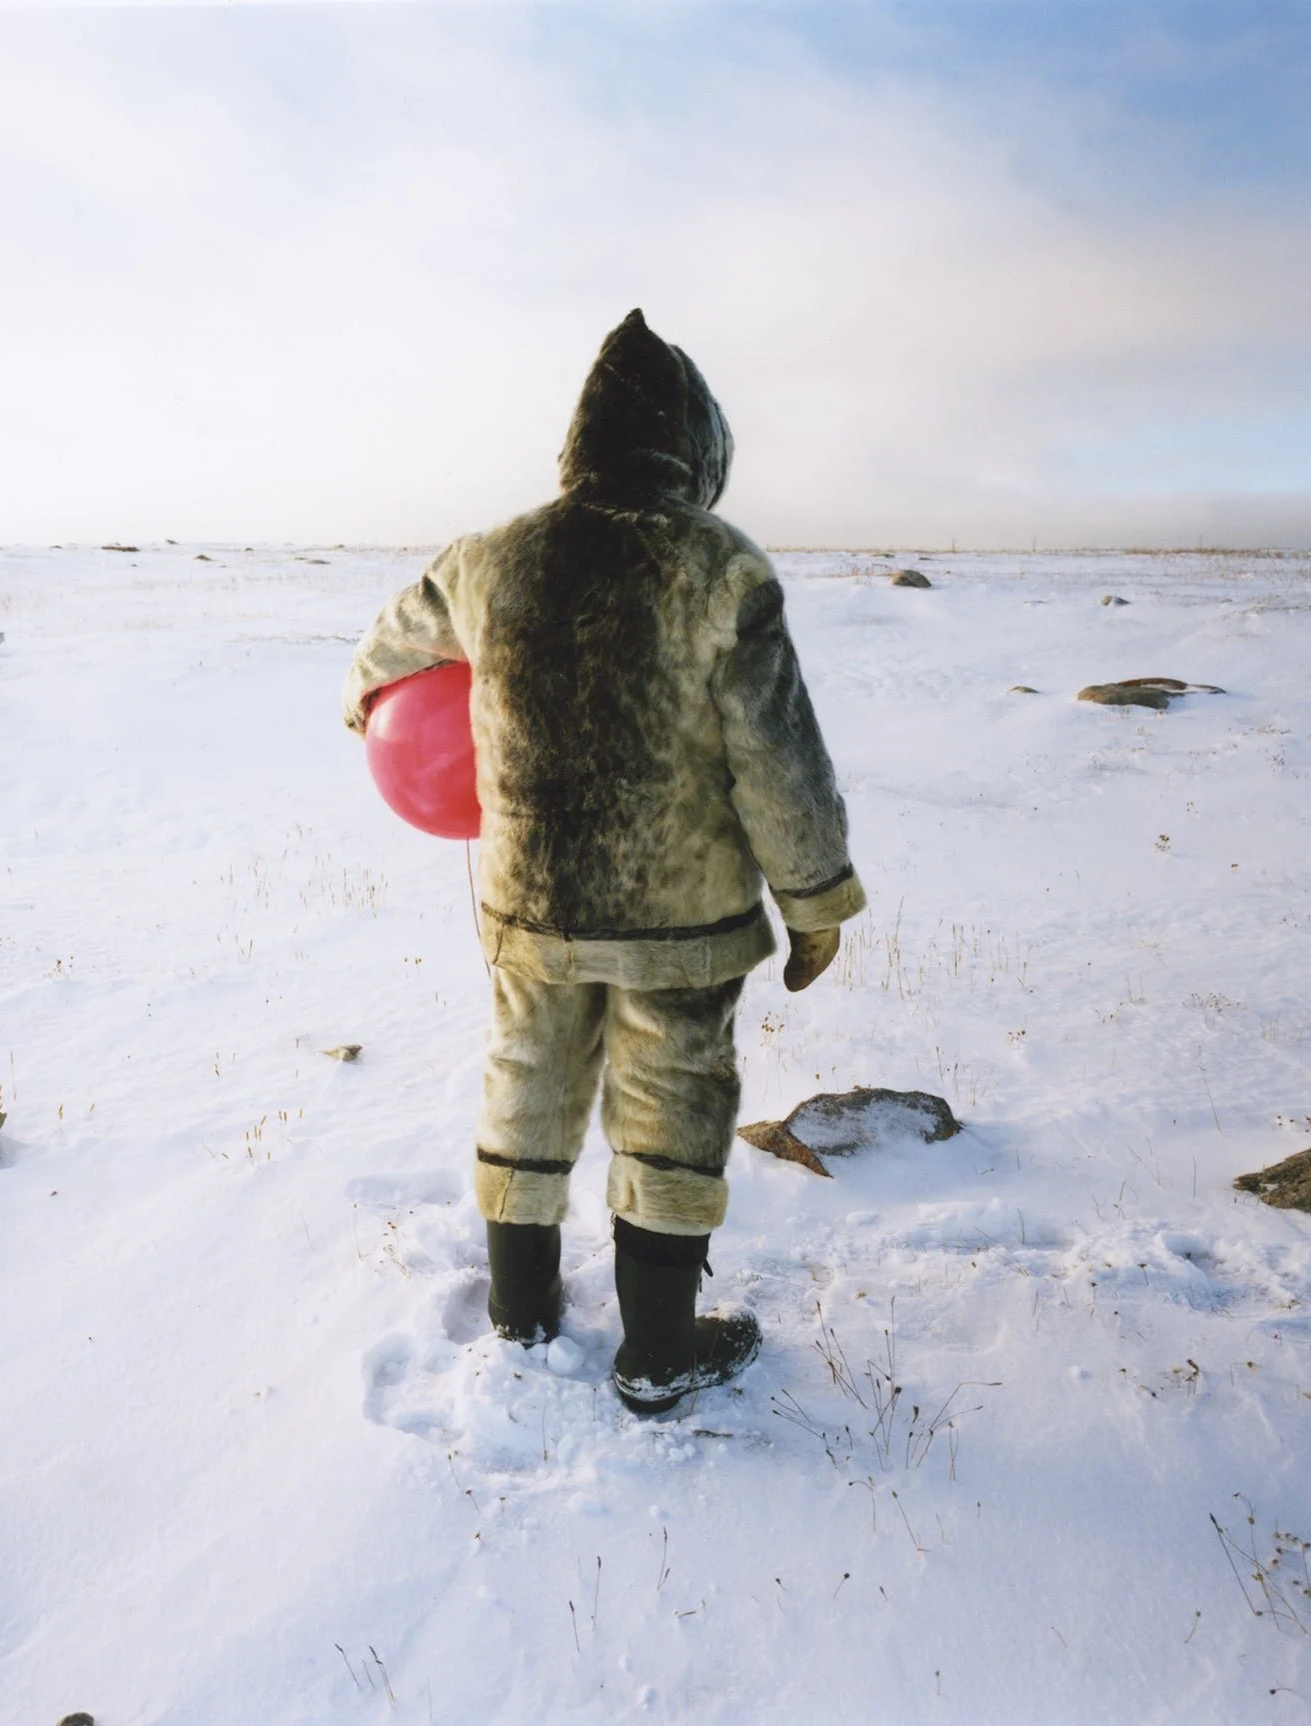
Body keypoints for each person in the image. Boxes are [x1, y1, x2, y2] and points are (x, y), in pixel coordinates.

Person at [342, 310, 865, 1416]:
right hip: (681, 918)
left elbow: (383, 654)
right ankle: (659, 1351)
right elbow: (780, 761)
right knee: (672, 1102)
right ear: (692, 443)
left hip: (532, 902)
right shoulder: (721, 569)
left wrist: (370, 716)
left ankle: (521, 1312)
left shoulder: (486, 560)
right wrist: (815, 899)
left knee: (527, 1076)